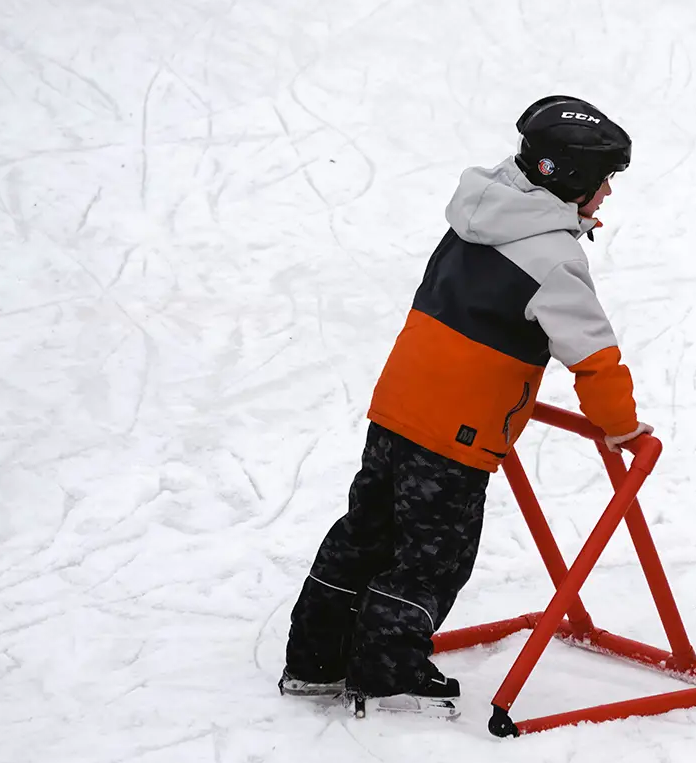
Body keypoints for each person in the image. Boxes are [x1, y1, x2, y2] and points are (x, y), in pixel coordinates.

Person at [279, 96, 652, 717]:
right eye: (605, 180)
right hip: (456, 434)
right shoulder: (552, 258)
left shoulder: (476, 216)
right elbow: (593, 357)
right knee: (432, 555)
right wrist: (619, 427)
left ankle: (315, 659)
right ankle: (389, 671)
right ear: (572, 180)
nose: (609, 192)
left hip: (396, 410)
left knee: (365, 531)